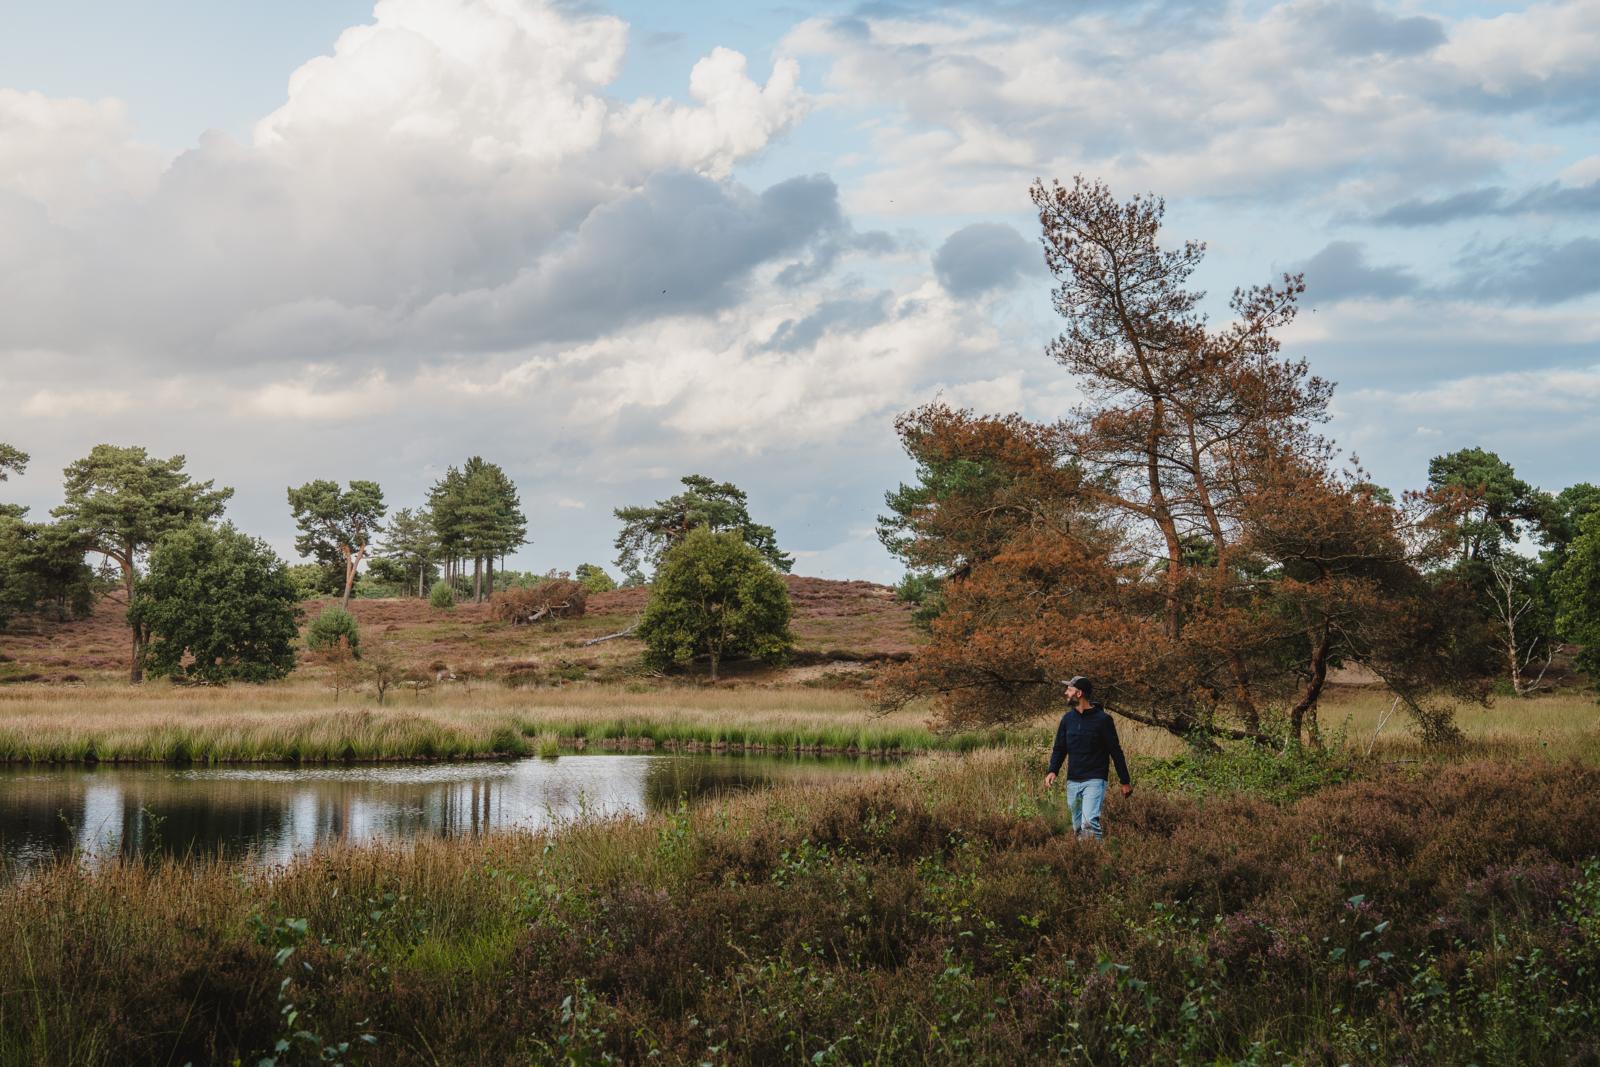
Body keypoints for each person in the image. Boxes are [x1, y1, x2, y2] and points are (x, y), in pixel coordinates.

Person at [1043, 676, 1132, 839]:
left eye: (1069, 690)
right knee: (1077, 827)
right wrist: (1052, 770)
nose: (1065, 693)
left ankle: (1096, 861)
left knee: (1089, 824)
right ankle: (1085, 860)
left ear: (1079, 693)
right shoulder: (1067, 720)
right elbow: (1060, 748)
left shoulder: (1103, 720)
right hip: (1073, 781)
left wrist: (1124, 781)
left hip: (1095, 780)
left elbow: (1115, 751)